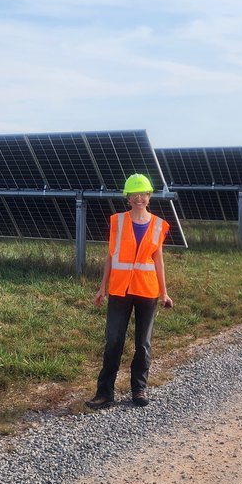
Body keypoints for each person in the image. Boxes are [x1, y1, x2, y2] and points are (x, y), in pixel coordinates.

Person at [86, 173, 174, 409]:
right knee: (113, 341)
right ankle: (105, 393)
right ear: (127, 198)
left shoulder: (158, 225)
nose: (139, 198)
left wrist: (164, 293)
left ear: (149, 197)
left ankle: (139, 389)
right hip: (120, 290)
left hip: (147, 290)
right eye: (134, 194)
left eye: (143, 194)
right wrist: (102, 287)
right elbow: (111, 257)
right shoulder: (117, 221)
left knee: (143, 344)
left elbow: (158, 261)